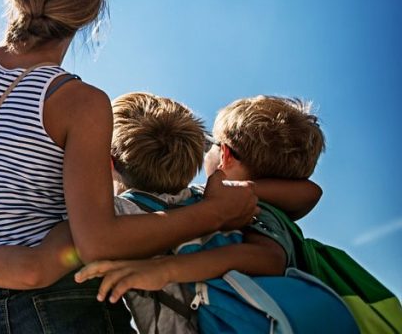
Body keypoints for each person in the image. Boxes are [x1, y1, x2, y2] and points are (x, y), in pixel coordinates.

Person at [0, 0, 257, 333]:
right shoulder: (77, 102)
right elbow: (97, 241)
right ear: (87, 16)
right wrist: (212, 213)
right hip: (57, 307)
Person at [0, 92, 320, 333]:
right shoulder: (214, 205)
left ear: (106, 164)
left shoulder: (114, 219)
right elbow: (308, 192)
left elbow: (36, 268)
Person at [75, 96, 328, 307]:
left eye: (212, 145)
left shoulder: (257, 209)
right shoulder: (214, 200)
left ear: (225, 155)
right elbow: (310, 192)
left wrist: (167, 270)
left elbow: (268, 258)